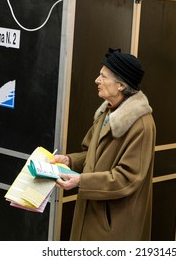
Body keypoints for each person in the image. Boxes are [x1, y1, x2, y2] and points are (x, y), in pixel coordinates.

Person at [52, 48, 156, 241]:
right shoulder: (106, 113)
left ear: (121, 85)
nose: (96, 80)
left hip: (115, 223)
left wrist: (81, 181)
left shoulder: (141, 124)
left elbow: (127, 178)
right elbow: (90, 153)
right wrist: (69, 161)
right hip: (92, 213)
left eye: (103, 76)